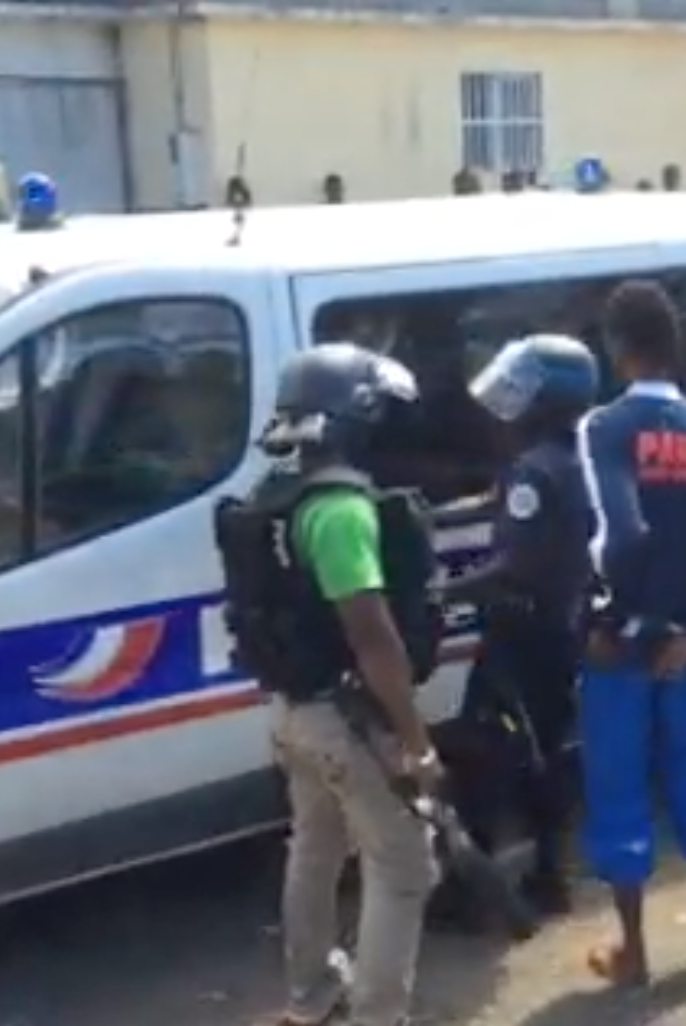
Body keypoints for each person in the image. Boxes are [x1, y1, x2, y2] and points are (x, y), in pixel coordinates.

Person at [213, 345, 441, 1026]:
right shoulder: (341, 510)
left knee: (315, 848)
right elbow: (372, 635)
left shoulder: (275, 495)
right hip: (346, 717)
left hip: (293, 712)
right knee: (402, 866)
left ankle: (310, 997)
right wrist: (414, 739)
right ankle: (377, 1015)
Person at [576, 279, 686, 985]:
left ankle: (635, 952)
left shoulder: (604, 428)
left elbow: (621, 535)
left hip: (622, 651)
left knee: (620, 791)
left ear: (618, 350)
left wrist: (623, 619)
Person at [434, 334, 599, 926]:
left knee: (492, 754)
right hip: (560, 625)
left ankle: (487, 892)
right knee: (546, 749)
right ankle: (550, 873)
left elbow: (517, 563)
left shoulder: (533, 470)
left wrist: (446, 590)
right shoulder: (573, 455)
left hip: (522, 633)